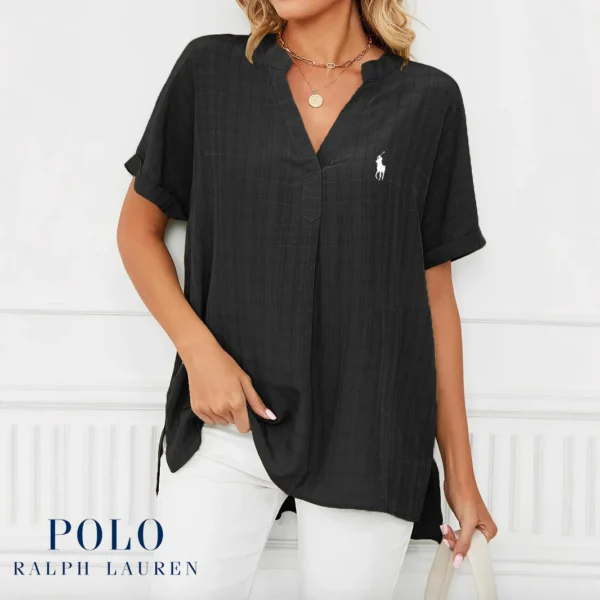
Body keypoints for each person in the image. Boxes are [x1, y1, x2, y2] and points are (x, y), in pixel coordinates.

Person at [117, 1, 498, 598]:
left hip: (368, 434)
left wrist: (461, 474)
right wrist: (198, 352)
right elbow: (137, 231)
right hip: (228, 419)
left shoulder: (428, 100)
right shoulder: (210, 71)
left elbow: (435, 298)